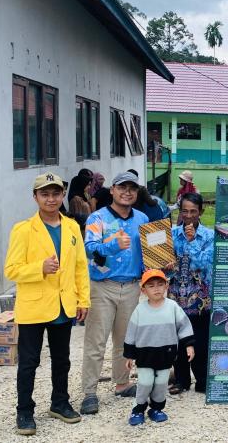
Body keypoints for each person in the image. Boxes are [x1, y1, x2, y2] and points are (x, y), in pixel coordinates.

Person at [3, 173, 90, 436]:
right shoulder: (23, 229)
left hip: (64, 306)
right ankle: (25, 411)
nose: (51, 199)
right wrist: (39, 268)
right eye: (45, 194)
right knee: (29, 362)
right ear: (35, 197)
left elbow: (80, 267)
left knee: (62, 359)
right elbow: (11, 270)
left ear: (62, 195)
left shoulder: (72, 227)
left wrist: (83, 298)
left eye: (55, 193)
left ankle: (60, 402)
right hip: (34, 307)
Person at [80, 171, 149, 415]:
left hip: (131, 286)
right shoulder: (97, 218)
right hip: (102, 286)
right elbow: (89, 250)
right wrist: (112, 245)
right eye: (122, 187)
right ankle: (89, 392)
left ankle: (122, 383)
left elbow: (149, 252)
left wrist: (160, 264)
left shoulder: (142, 218)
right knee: (96, 341)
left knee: (125, 340)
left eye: (132, 188)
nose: (127, 192)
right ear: (112, 190)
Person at [124, 269, 195, 426]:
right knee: (145, 382)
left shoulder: (173, 307)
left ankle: (156, 408)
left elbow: (184, 326)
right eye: (151, 285)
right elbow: (131, 333)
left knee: (162, 382)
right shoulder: (139, 310)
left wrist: (189, 345)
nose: (156, 288)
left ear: (166, 286)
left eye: (160, 284)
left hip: (166, 354)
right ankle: (138, 409)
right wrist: (129, 355)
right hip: (144, 355)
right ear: (143, 290)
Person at [168, 192, 214, 394]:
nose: (188, 216)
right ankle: (181, 380)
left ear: (201, 212)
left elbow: (203, 264)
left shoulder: (210, 236)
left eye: (193, 211)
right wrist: (166, 266)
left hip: (200, 299)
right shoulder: (170, 234)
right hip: (176, 297)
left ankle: (202, 380)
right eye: (184, 211)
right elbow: (162, 265)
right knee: (177, 340)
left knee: (200, 340)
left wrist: (193, 240)